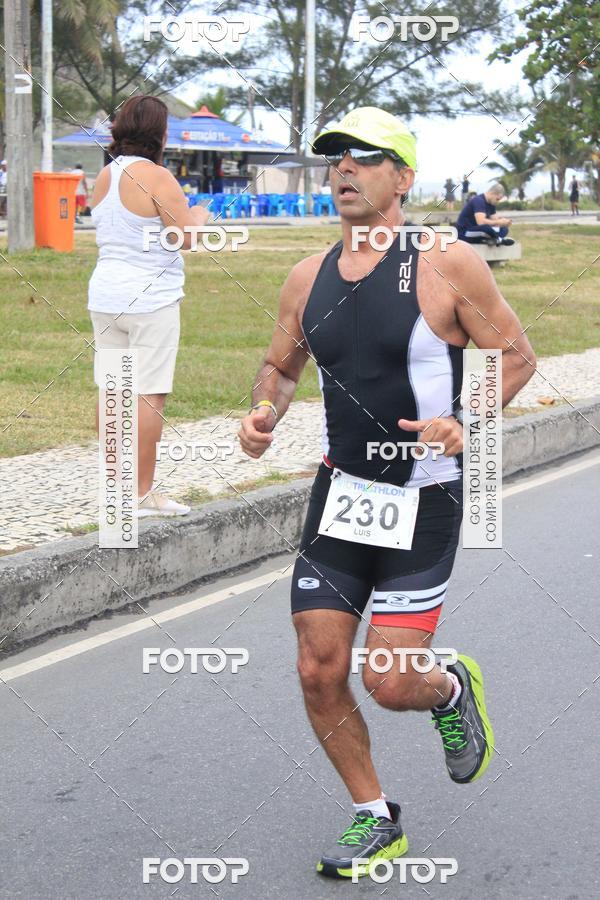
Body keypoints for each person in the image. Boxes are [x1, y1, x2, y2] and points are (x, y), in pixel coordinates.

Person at [238, 106, 536, 879]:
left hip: (422, 499)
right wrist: (265, 407)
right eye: (335, 157)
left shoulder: (447, 265)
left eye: (365, 157)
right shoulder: (306, 277)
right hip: (341, 495)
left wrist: (463, 419)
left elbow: (516, 355)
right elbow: (281, 364)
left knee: (390, 679)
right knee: (317, 665)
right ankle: (376, 818)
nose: (345, 169)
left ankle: (446, 688)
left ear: (402, 178)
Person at [88, 95, 209, 517]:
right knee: (148, 395)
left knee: (112, 391)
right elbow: (185, 239)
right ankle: (141, 493)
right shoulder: (158, 177)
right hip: (150, 299)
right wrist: (199, 215)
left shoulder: (103, 175)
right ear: (160, 133)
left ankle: (114, 489)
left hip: (105, 294)